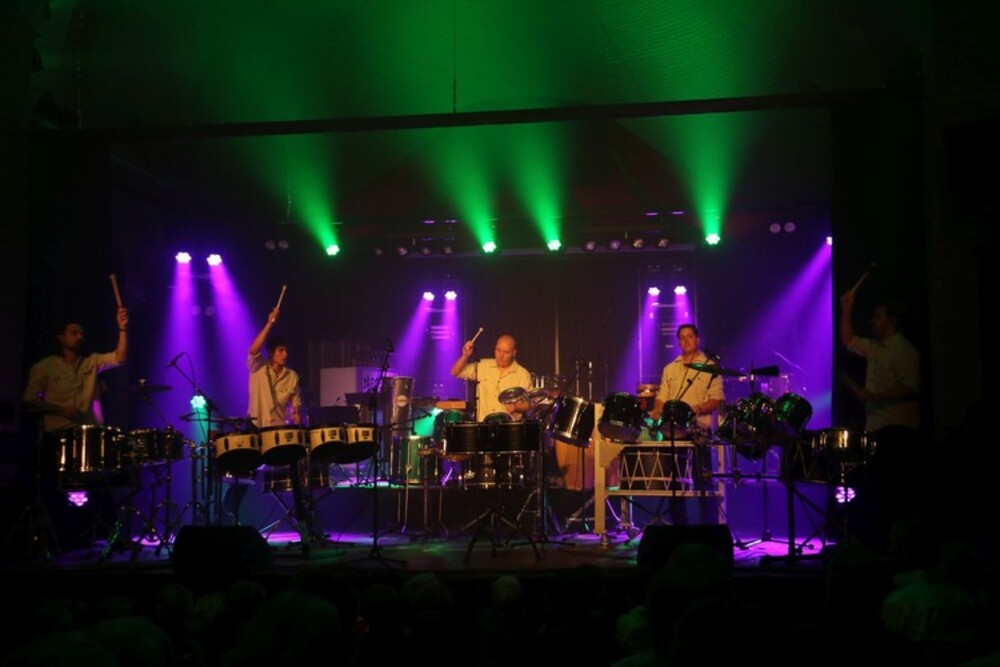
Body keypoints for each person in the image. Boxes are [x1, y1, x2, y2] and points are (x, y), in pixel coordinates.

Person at [20, 306, 129, 552]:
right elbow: (28, 401)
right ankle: (62, 540)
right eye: (74, 333)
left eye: (81, 333)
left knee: (100, 485)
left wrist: (122, 329)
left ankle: (108, 536)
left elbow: (120, 358)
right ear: (61, 338)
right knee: (56, 488)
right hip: (57, 436)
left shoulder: (91, 362)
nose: (79, 337)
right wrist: (59, 409)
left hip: (86, 436)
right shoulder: (44, 367)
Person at [839, 289, 922, 548]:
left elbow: (911, 386)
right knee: (877, 491)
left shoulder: (905, 350)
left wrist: (873, 396)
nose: (873, 320)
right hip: (877, 431)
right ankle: (879, 544)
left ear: (892, 320)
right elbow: (848, 340)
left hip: (898, 432)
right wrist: (847, 307)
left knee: (893, 493)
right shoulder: (875, 348)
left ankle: (896, 547)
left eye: (878, 316)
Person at [648, 324, 725, 433]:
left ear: (697, 340)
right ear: (679, 343)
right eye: (682, 338)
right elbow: (662, 396)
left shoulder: (711, 367)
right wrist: (658, 410)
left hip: (699, 429)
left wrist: (692, 411)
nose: (686, 340)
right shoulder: (669, 368)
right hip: (672, 429)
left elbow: (716, 401)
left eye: (690, 336)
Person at [450, 334, 532, 423]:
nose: (501, 355)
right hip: (483, 425)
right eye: (498, 350)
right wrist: (465, 356)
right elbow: (455, 372)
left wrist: (516, 407)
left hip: (508, 426)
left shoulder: (522, 374)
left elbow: (530, 403)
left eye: (506, 352)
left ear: (514, 353)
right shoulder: (482, 366)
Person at [247, 307, 302, 429]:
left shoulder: (292, 376)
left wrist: (295, 414)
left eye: (286, 351)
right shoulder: (258, 367)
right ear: (271, 353)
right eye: (281, 351)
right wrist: (269, 324)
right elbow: (253, 350)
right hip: (256, 426)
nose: (285, 354)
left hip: (278, 428)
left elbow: (295, 403)